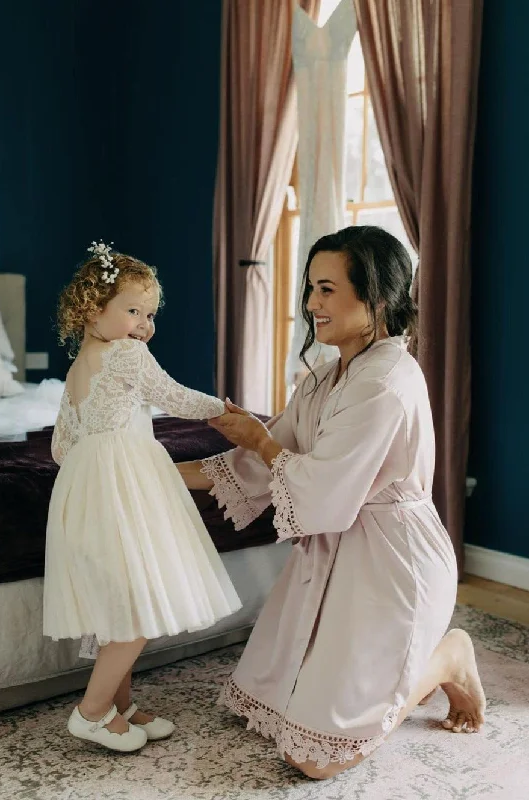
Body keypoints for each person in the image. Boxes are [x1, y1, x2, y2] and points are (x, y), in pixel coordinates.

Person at [178, 226, 485, 780]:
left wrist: (260, 439)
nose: (312, 304)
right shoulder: (324, 379)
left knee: (312, 758)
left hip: (393, 568)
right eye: (310, 289)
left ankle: (447, 657)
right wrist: (146, 472)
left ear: (378, 299)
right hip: (336, 555)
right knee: (264, 703)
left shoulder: (385, 382)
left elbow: (316, 485)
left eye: (326, 289)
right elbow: (254, 467)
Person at [43, 241, 241, 753]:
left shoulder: (74, 371)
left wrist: (95, 467)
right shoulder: (128, 354)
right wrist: (224, 410)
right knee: (136, 607)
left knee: (120, 602)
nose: (144, 325)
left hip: (84, 491)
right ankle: (89, 712)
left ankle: (118, 707)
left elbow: (61, 447)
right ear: (93, 308)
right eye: (133, 311)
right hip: (123, 486)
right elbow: (173, 396)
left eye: (149, 315)